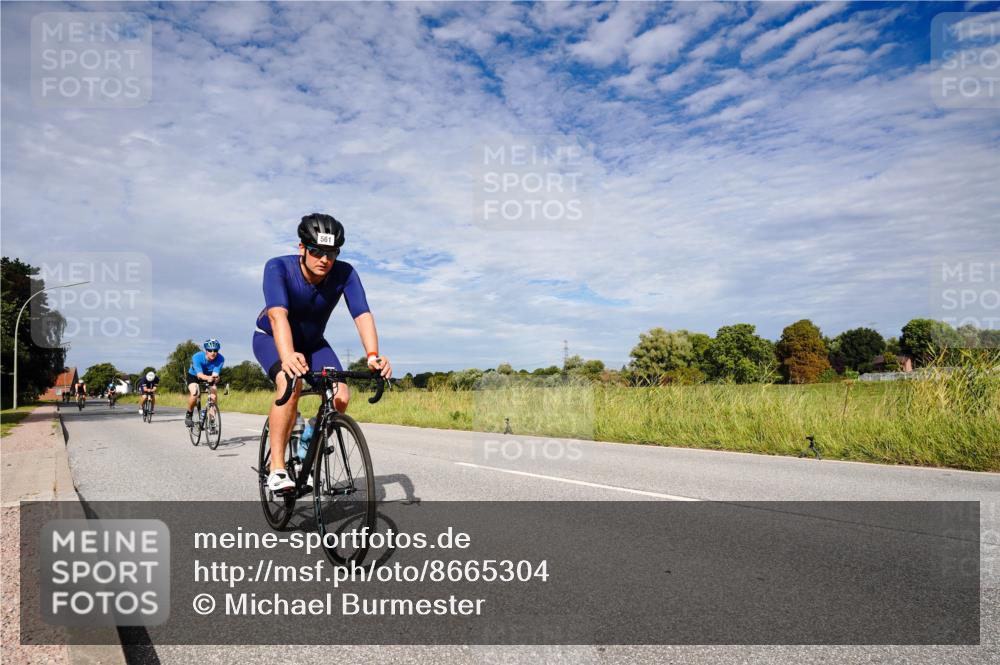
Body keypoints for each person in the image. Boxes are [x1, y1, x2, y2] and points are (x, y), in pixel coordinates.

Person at [254, 213, 391, 494]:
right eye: (316, 251)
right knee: (290, 384)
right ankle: (277, 468)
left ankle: (309, 436)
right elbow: (278, 315)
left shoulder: (345, 273)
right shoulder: (278, 267)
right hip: (272, 338)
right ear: (302, 248)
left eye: (331, 253)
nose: (324, 259)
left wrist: (373, 355)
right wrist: (288, 355)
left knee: (341, 395)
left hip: (314, 344)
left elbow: (362, 314)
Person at [185, 339, 225, 427]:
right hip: (194, 376)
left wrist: (216, 378)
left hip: (209, 377)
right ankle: (189, 414)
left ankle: (212, 420)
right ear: (206, 350)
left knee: (213, 395)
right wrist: (209, 378)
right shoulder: (197, 357)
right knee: (195, 393)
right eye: (210, 350)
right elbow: (199, 375)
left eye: (215, 350)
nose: (213, 353)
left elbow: (215, 374)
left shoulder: (221, 359)